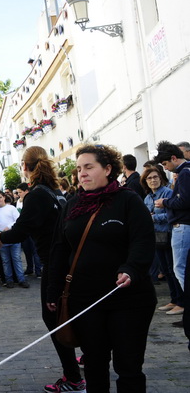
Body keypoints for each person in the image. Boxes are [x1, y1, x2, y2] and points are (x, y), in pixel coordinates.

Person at [47, 144, 156, 393]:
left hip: (128, 299)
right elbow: (59, 250)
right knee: (94, 364)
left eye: (88, 167)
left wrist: (131, 268)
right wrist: (53, 289)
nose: (82, 173)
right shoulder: (72, 205)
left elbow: (142, 240)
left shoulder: (128, 200)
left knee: (128, 367)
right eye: (78, 169)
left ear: (108, 169)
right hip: (85, 300)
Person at [0, 146, 85, 393]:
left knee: (54, 318)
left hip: (54, 263)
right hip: (67, 261)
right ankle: (81, 366)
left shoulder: (36, 194)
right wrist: (2, 241)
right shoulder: (54, 192)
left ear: (25, 167)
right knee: (68, 315)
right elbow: (28, 227)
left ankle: (74, 378)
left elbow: (20, 230)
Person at [153, 140, 190, 332]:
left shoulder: (184, 173)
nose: (166, 168)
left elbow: (184, 201)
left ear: (174, 158)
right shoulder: (185, 172)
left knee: (180, 268)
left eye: (165, 164)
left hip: (182, 226)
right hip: (182, 226)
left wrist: (165, 202)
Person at [141, 166, 182, 314]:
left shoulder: (168, 193)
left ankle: (181, 302)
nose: (153, 180)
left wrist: (154, 218)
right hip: (156, 237)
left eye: (155, 177)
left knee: (173, 269)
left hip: (169, 234)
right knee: (165, 269)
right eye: (149, 178)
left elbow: (172, 215)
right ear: (145, 181)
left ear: (161, 178)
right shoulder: (147, 198)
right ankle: (174, 299)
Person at [0, 190, 28, 288]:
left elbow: (18, 219)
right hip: (2, 238)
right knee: (5, 261)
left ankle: (21, 279)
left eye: (0, 197)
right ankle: (9, 280)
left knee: (16, 259)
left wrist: (9, 226)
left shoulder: (11, 208)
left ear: (4, 197)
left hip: (13, 236)